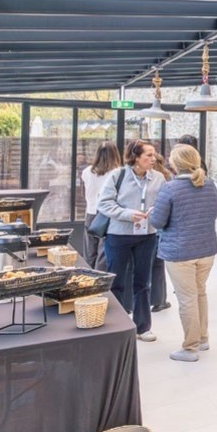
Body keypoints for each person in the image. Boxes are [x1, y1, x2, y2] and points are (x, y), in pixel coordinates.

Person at [151, 144, 217, 362]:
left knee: (187, 300)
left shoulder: (170, 189)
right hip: (206, 250)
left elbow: (157, 221)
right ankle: (203, 338)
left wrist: (153, 212)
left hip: (180, 253)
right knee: (199, 294)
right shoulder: (210, 186)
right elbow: (211, 214)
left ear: (175, 163)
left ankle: (190, 348)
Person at [99, 138, 166, 342]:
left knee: (142, 282)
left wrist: (156, 212)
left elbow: (163, 203)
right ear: (135, 157)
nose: (153, 158)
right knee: (117, 281)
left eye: (154, 154)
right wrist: (129, 214)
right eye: (149, 155)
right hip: (118, 235)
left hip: (147, 235)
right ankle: (118, 326)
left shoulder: (159, 178)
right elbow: (104, 204)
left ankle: (142, 327)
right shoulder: (117, 175)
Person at [80, 141, 120, 270]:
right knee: (103, 253)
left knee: (89, 252)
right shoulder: (118, 172)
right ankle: (100, 282)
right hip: (107, 215)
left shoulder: (86, 171)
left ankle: (86, 279)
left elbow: (84, 191)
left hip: (90, 213)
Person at [148, 151, 175, 313]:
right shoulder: (168, 178)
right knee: (157, 266)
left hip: (144, 226)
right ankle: (159, 300)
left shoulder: (148, 179)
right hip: (160, 229)